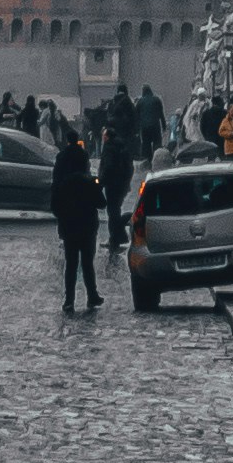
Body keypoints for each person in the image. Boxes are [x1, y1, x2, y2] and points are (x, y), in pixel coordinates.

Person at [51, 120, 102, 317]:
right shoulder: (88, 182)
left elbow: (55, 204)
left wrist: (61, 216)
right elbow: (101, 202)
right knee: (88, 263)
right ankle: (92, 295)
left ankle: (69, 301)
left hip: (69, 226)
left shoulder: (62, 183)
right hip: (88, 226)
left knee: (71, 264)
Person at [97, 89, 138, 258]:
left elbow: (108, 168)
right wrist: (127, 182)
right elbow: (129, 167)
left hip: (113, 185)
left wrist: (99, 183)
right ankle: (119, 235)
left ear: (106, 135)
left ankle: (116, 238)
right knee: (115, 209)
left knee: (112, 212)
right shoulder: (123, 146)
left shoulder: (109, 148)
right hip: (122, 184)